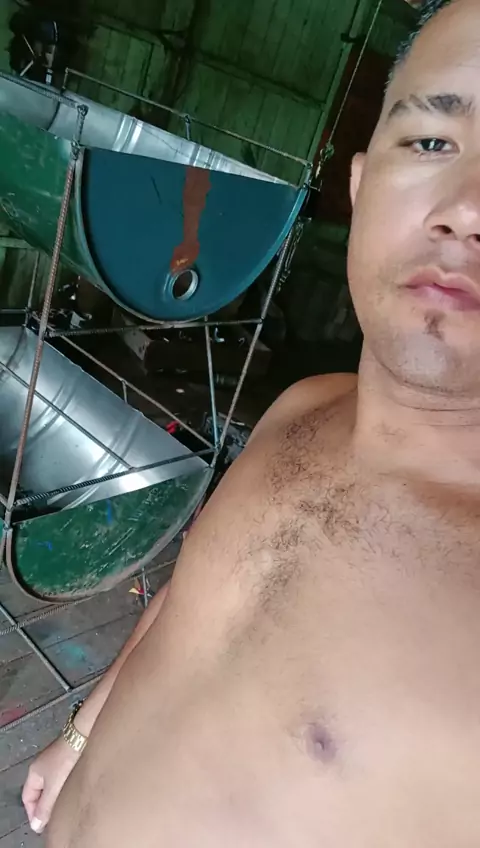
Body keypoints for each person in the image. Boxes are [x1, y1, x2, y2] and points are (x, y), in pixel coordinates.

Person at [24, 0, 480, 843]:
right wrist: (82, 732)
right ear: (359, 186)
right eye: (430, 142)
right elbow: (192, 599)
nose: (466, 208)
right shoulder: (304, 405)